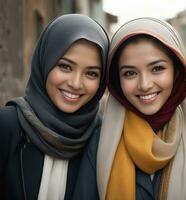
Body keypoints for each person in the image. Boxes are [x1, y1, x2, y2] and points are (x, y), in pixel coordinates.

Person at [96, 17, 186, 200]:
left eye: (157, 69)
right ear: (116, 80)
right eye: (130, 73)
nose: (144, 85)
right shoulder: (97, 140)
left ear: (177, 72)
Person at [0, 14, 109, 199]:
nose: (75, 83)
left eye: (91, 73)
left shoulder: (103, 138)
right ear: (45, 62)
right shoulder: (7, 126)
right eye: (65, 67)